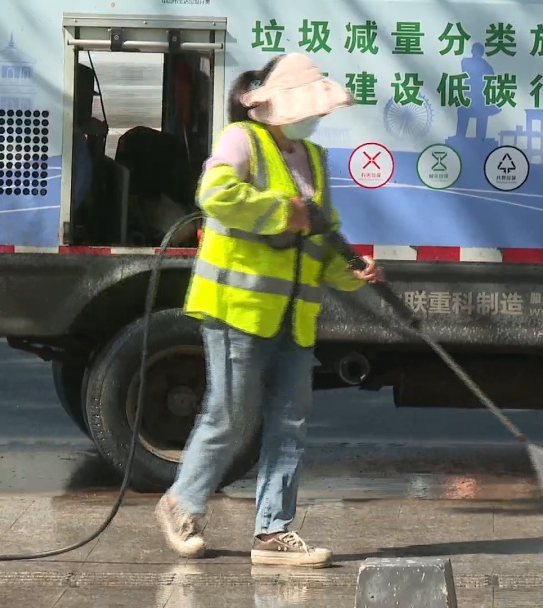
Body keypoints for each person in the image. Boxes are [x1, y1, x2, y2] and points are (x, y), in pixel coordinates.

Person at [155, 52, 383, 568]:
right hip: (238, 307)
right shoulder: (243, 141)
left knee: (290, 422)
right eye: (307, 109)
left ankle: (274, 532)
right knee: (232, 416)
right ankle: (181, 503)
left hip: (293, 318)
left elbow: (320, 245)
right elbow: (215, 195)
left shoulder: (315, 160)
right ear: (278, 105)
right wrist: (286, 212)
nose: (314, 119)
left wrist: (356, 270)